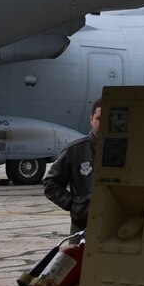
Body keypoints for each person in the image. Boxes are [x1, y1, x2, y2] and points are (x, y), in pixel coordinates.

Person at [43, 99, 101, 235]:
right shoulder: (75, 151)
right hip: (82, 225)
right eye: (99, 118)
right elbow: (50, 184)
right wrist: (76, 205)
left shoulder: (127, 152)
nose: (103, 123)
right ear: (91, 119)